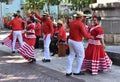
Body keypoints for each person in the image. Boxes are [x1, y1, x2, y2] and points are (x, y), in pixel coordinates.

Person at [66, 11, 93, 76]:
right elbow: (85, 35)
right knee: (81, 56)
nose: (84, 18)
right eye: (83, 16)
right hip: (77, 41)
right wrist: (91, 37)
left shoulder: (72, 22)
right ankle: (77, 71)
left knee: (71, 55)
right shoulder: (80, 24)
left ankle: (68, 71)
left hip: (70, 40)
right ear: (81, 17)